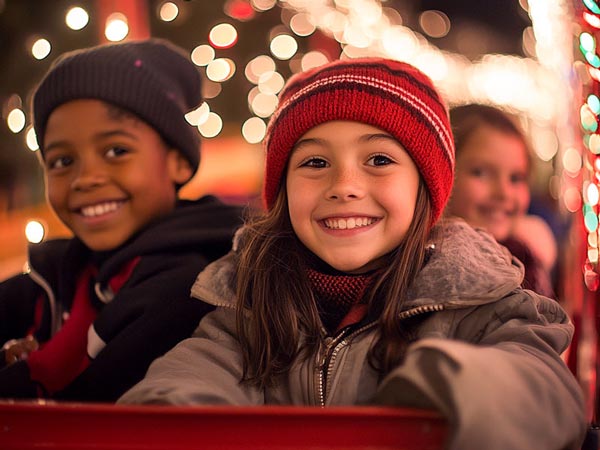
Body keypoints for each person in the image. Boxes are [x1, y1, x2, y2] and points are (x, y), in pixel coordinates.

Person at [119, 58, 585, 449]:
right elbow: (186, 383)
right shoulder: (245, 308)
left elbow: (548, 392)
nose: (344, 186)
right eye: (315, 163)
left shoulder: (484, 300)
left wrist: (441, 389)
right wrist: (166, 418)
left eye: (379, 160)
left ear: (425, 187)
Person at [0, 38, 244, 401]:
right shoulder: (59, 272)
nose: (85, 178)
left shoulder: (189, 282)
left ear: (178, 160)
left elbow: (90, 404)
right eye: (63, 161)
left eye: (116, 151)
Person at [446, 103, 557, 297]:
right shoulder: (440, 268)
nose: (504, 193)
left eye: (515, 178)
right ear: (443, 172)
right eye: (480, 173)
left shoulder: (528, 256)